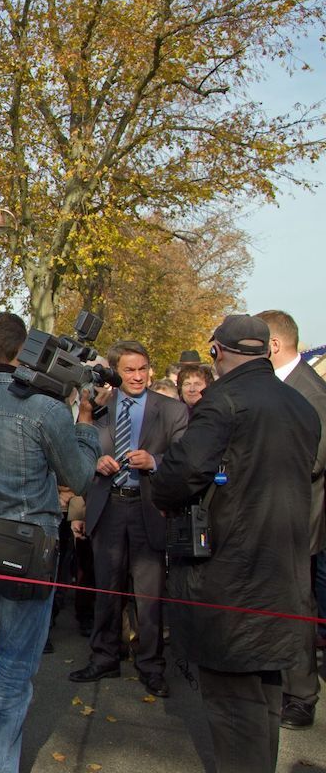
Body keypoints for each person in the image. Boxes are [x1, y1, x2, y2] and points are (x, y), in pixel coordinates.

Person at [151, 314, 318, 773]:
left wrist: (163, 493)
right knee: (264, 692)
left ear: (217, 351)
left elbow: (182, 472)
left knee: (233, 700)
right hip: (281, 565)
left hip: (230, 570)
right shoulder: (299, 404)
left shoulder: (223, 401)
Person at [0, 312, 99, 773]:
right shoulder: (45, 409)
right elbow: (80, 477)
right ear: (26, 350)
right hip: (27, 550)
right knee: (12, 665)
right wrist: (85, 420)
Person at [68, 341, 188, 698]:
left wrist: (155, 462)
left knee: (149, 594)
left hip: (149, 508)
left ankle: (151, 665)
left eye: (143, 369)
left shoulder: (172, 410)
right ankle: (104, 656)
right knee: (106, 589)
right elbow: (76, 452)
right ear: (115, 373)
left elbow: (186, 459)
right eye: (129, 370)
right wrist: (95, 463)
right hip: (108, 506)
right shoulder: (98, 407)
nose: (137, 376)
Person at [257, 309, 326, 730]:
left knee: (298, 605)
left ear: (274, 345)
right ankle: (279, 681)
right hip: (273, 513)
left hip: (299, 518)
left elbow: (314, 460)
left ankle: (301, 695)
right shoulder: (280, 385)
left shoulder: (311, 392)